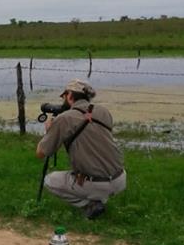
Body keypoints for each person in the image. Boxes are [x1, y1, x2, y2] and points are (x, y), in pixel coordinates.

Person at [36, 79, 127, 220]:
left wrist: (49, 131)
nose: (63, 100)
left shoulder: (65, 118)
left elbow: (41, 153)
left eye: (64, 96)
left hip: (97, 183)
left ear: (70, 95)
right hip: (120, 179)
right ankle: (97, 198)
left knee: (50, 180)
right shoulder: (104, 112)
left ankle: (89, 205)